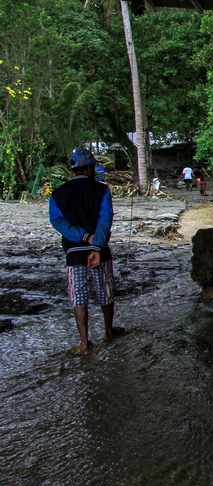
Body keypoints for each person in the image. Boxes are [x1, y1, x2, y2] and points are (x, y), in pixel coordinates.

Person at [49, 147, 118, 355]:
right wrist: (96, 242)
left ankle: (84, 344)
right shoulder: (102, 190)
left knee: (78, 297)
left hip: (74, 252)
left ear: (73, 169)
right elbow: (106, 218)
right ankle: (108, 332)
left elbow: (57, 221)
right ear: (90, 168)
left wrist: (80, 236)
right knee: (105, 292)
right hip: (100, 250)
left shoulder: (57, 194)